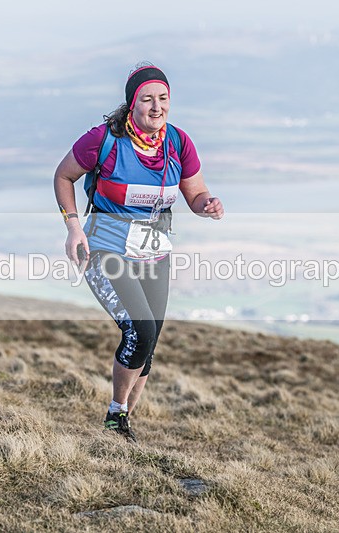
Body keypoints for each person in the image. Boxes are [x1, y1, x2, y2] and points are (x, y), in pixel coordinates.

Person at [53, 62, 224, 442]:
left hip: (155, 254)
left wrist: (207, 204)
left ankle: (125, 422)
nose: (157, 106)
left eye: (163, 98)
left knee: (150, 342)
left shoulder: (178, 143)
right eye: (147, 99)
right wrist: (73, 226)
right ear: (132, 104)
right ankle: (115, 416)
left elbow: (194, 194)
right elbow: (63, 176)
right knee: (140, 330)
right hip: (106, 249)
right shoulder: (104, 140)